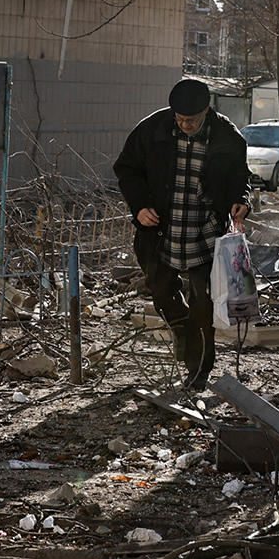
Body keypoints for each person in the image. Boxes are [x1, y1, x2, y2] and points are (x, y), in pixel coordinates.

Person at [113, 78, 252, 390]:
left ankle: (198, 371)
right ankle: (182, 331)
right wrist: (140, 205)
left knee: (203, 304)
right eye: (179, 119)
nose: (185, 125)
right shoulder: (151, 130)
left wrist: (242, 200)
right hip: (161, 232)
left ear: (206, 111)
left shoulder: (226, 135)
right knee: (161, 292)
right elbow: (126, 168)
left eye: (191, 120)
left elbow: (241, 175)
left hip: (206, 231)